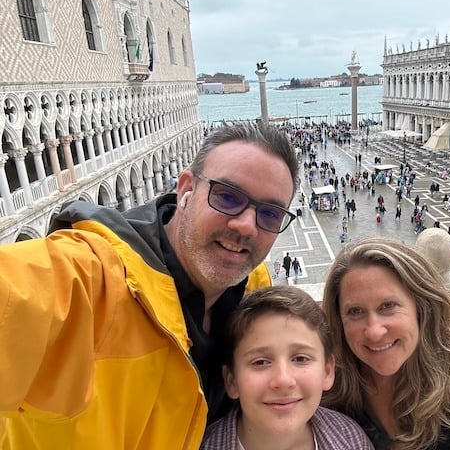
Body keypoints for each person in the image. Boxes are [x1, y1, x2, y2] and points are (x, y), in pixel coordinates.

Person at [0, 122, 300, 448]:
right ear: (186, 189)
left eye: (269, 214)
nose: (246, 226)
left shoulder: (255, 290)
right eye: (227, 197)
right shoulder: (90, 279)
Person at [322, 237, 450, 450]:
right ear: (339, 322)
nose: (375, 331)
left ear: (422, 308)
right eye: (355, 312)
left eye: (388, 306)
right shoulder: (323, 396)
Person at [200, 286, 374, 449]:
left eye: (300, 358)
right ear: (231, 381)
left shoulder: (351, 439)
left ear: (327, 372)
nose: (283, 380)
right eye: (260, 362)